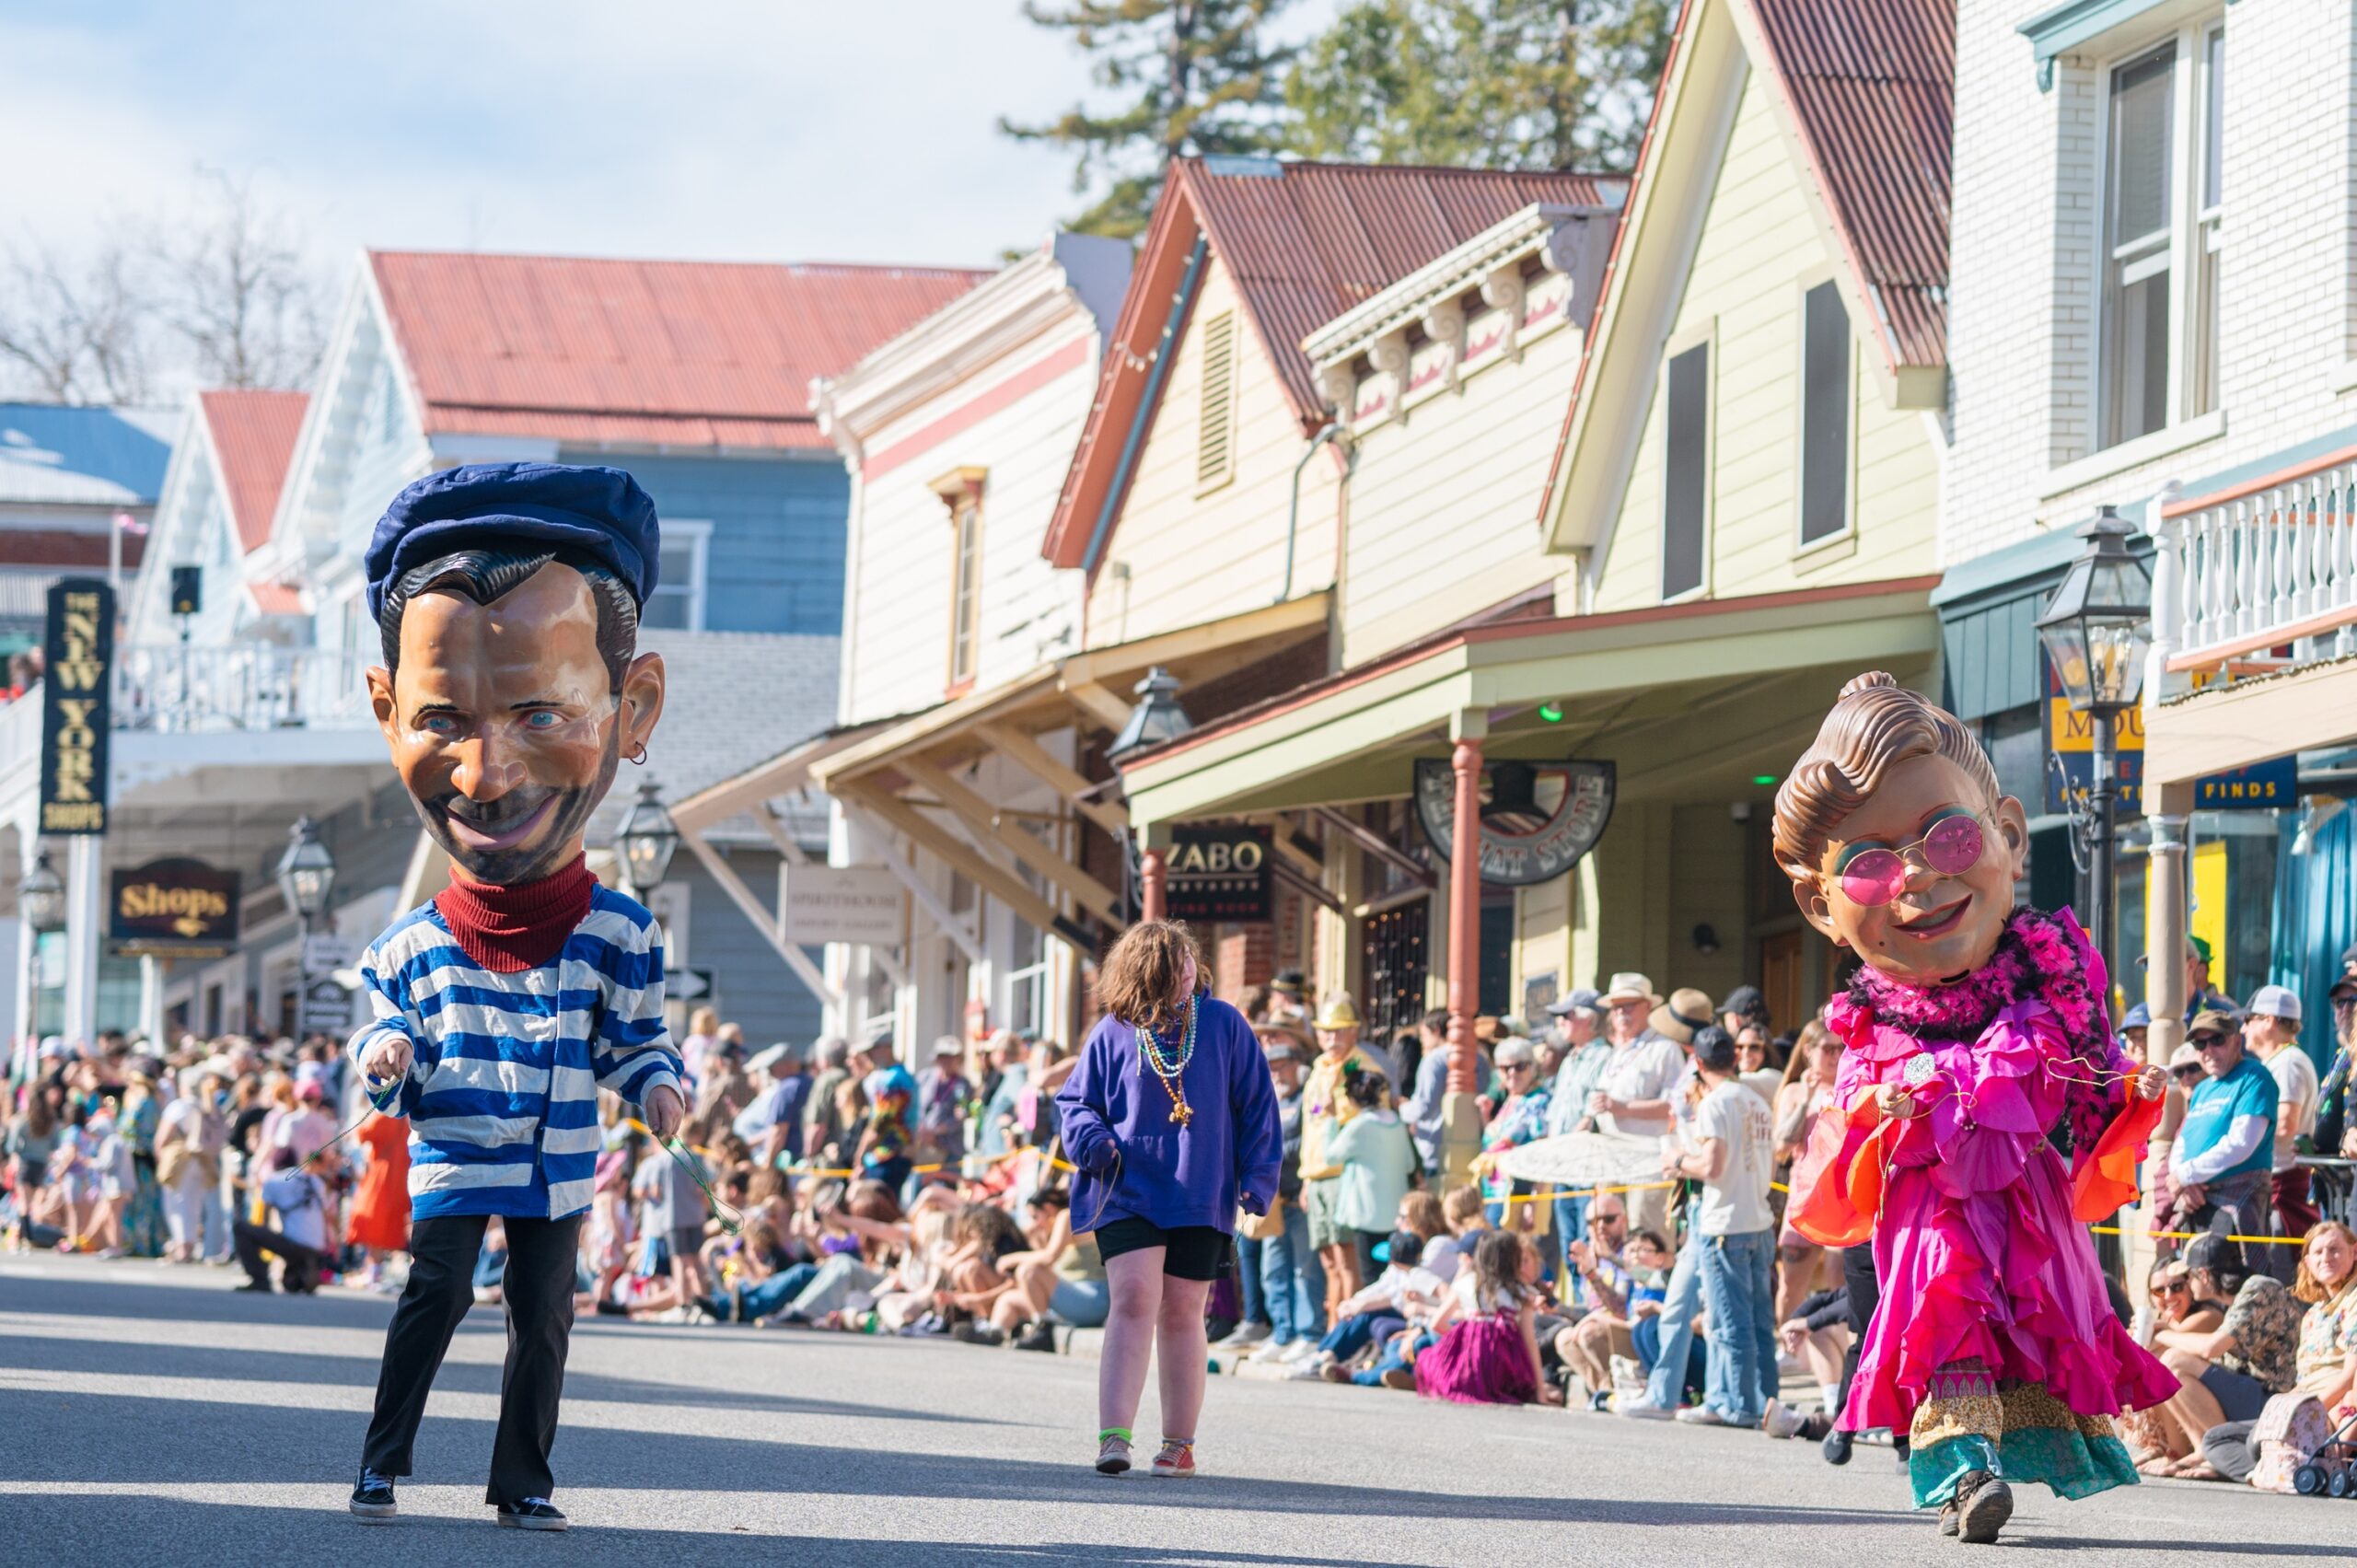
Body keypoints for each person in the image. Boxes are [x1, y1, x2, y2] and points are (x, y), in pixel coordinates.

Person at [344, 462, 688, 1532]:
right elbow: (385, 1025)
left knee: (544, 1317)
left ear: (633, 710)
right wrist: (385, 1057)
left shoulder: (621, 932)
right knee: (434, 1298)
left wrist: (661, 1086)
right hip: (457, 1152)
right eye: (442, 717)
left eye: (541, 710)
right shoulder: (411, 940)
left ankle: (524, 1475)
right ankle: (381, 1459)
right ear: (385, 707)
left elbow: (633, 1038)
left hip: (559, 1166)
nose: (486, 777)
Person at [1774, 671, 2173, 1541]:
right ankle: (1964, 1475)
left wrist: (2133, 1090)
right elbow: (1843, 1122)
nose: (1916, 875)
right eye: (1872, 863)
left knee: (2029, 1325)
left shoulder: (2052, 978)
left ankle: (1998, 1459)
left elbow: (2090, 1086)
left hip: (2026, 1201)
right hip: (1931, 1199)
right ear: (1822, 904)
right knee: (1942, 1303)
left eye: (1947, 836)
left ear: (2009, 834)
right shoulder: (1870, 1018)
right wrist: (1876, 1105)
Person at [1054, 920, 1283, 1479]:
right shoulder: (1112, 1031)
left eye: (1188, 960)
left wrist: (1258, 1177)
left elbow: (1258, 1105)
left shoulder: (1225, 1023)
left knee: (1182, 1310)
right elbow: (1074, 1103)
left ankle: (1179, 1444)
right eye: (1173, 963)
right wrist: (1094, 1140)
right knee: (1133, 1296)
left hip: (1200, 1187)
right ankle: (1114, 1437)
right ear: (1145, 972)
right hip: (1126, 1185)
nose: (1186, 971)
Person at [1667, 1024, 1783, 1434]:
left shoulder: (1715, 1103)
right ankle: (1764, 1400)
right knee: (1757, 1322)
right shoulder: (1757, 1100)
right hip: (1757, 1219)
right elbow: (1770, 1170)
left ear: (1697, 1063)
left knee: (1728, 1321)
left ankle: (1735, 1404)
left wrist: (1680, 1162)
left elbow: (1712, 1166)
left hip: (1725, 1223)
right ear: (1734, 1058)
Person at [2195, 1222, 2357, 1483]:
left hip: (2329, 1411)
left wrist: (2298, 1413)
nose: (2326, 1258)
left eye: (2335, 1250)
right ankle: (2270, 1471)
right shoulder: (2314, 1313)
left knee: (2254, 1443)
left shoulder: (2354, 1300)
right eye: (2318, 1253)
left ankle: (2276, 1468)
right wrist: (2279, 1411)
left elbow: (2350, 1377)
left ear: (2354, 1252)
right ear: (2307, 1260)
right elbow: (2303, 1380)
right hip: (2300, 1401)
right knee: (2215, 1440)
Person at [2140, 1234, 2305, 1476]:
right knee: (2168, 1365)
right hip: (2255, 1394)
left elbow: (2211, 1347)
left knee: (2175, 1360)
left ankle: (2222, 1452)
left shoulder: (2259, 1289)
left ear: (2203, 1275)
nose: (2187, 1286)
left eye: (2187, 1278)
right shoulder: (2237, 1298)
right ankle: (2202, 1449)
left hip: (2274, 1401)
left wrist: (2162, 1336)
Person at [1297, 993, 1384, 1318]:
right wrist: (1307, 1179)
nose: (1331, 1038)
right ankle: (1333, 1331)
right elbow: (1313, 1123)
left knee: (1348, 1260)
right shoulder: (1319, 1067)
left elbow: (1368, 1120)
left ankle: (1347, 1333)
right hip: (1318, 1174)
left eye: (1339, 1030)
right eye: (1326, 1031)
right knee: (1329, 1261)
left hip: (1343, 1173)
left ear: (1354, 1032)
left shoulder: (1363, 1068)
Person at [1247, 1031, 1326, 1366]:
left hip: (1299, 1197)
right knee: (1272, 1270)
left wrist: (1272, 1152)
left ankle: (1308, 1335)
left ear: (1297, 1066)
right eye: (1272, 1068)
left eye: (1282, 1066)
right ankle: (1283, 1333)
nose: (1277, 1074)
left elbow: (1310, 1141)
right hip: (1274, 1202)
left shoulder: (1308, 1099)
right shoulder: (1269, 1101)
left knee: (1305, 1271)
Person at [2169, 1009, 2279, 1249]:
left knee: (2231, 1279)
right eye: (2200, 1044)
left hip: (2238, 1197)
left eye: (2216, 1040)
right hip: (2196, 1199)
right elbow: (2183, 1142)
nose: (2208, 1050)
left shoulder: (2255, 1076)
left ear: (2236, 1042)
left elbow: (2241, 1143)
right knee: (2197, 1278)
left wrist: (2186, 1175)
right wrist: (2182, 1183)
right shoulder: (2202, 1088)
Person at [1411, 1229, 1556, 1406]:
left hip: (1470, 1369)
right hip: (1505, 1372)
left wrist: (1463, 1340)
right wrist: (1539, 1387)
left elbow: (1437, 1323)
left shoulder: (1467, 1284)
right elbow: (1529, 1340)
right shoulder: (1520, 1292)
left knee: (1428, 1359)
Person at [1585, 973, 1683, 1235]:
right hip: (1610, 1160)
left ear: (1647, 1006)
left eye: (1629, 1006)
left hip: (1647, 1164)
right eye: (1616, 1007)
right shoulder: (1614, 1053)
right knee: (1607, 1234)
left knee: (1646, 1236)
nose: (1621, 1013)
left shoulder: (1665, 1049)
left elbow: (1674, 1106)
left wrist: (1621, 1107)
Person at [2245, 984, 2321, 1272]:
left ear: (2269, 1020)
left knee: (2284, 1271)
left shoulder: (2288, 1063)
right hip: (2277, 1183)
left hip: (2284, 1186)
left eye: (2249, 1020)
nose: (2243, 1030)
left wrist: (2241, 1138)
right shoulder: (2282, 1061)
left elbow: (2286, 1125)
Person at [1324, 1068, 1418, 1287]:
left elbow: (1330, 1157)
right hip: (1396, 1216)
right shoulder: (1395, 1121)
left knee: (1371, 1279)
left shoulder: (1359, 1126)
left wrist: (1330, 1120)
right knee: (1396, 1276)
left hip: (1366, 1217)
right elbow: (1410, 1164)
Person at [234, 1157, 336, 1294]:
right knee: (290, 1284)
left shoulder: (273, 1182)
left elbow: (264, 1223)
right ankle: (304, 1269)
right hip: (317, 1247)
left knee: (241, 1228)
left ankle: (260, 1279)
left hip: (295, 1246)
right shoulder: (315, 1181)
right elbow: (325, 1217)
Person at [346, 1107, 412, 1291]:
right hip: (399, 1176)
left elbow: (362, 1134)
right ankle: (374, 1270)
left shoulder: (388, 1113)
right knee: (385, 1225)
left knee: (374, 1224)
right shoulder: (406, 1117)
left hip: (381, 1175)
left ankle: (373, 1271)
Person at [855, 1034, 918, 1194]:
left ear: (886, 1048)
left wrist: (860, 1156)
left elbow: (880, 1123)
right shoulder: (901, 1076)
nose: (868, 1057)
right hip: (895, 1155)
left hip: (887, 1157)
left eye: (872, 1050)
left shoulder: (892, 1079)